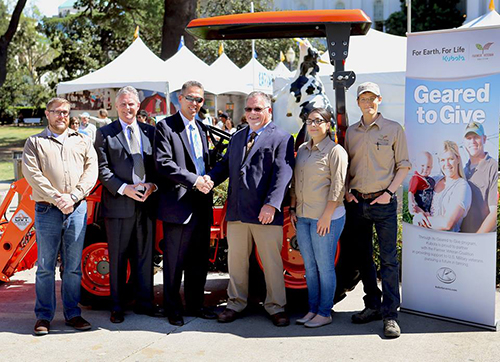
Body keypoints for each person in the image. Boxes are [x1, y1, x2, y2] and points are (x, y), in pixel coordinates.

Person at [207, 91, 295, 327]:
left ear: (269, 111)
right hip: (237, 213)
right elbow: (224, 167)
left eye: (258, 109)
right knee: (236, 263)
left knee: (272, 263)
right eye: (248, 109)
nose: (253, 113)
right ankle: (235, 303)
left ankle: (276, 306)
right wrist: (209, 180)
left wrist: (272, 204)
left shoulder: (282, 138)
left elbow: (283, 174)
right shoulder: (237, 138)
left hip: (265, 213)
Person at [22, 97, 98, 335]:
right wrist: (57, 198)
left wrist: (73, 196)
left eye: (65, 112)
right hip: (47, 210)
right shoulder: (35, 142)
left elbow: (91, 170)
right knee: (45, 266)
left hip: (76, 209)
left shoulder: (82, 141)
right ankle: (44, 317)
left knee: (73, 267)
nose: (61, 116)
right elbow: (32, 174)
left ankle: (73, 314)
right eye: (56, 112)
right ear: (47, 114)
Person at [344, 82, 410, 338]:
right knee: (364, 259)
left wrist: (389, 193)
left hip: (383, 204)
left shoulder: (394, 129)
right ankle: (372, 304)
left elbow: (403, 165)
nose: (368, 102)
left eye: (372, 98)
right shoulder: (351, 132)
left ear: (379, 100)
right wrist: (348, 191)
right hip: (357, 203)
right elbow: (346, 166)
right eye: (363, 98)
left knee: (389, 261)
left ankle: (390, 314)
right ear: (358, 102)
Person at [154, 80, 217, 326]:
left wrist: (209, 179)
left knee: (199, 260)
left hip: (202, 203)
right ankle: (172, 308)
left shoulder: (201, 128)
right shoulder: (166, 127)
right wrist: (195, 181)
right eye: (190, 98)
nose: (195, 103)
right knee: (174, 262)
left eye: (199, 100)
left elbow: (204, 162)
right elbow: (164, 163)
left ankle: (195, 305)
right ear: (179, 99)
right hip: (178, 206)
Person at [94, 86, 158, 324]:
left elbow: (157, 166)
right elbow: (103, 170)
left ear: (138, 106)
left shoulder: (150, 132)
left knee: (144, 256)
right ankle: (117, 306)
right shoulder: (105, 133)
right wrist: (125, 189)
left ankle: (145, 303)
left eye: (132, 104)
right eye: (123, 104)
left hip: (147, 204)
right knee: (118, 258)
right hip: (119, 204)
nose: (128, 108)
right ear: (116, 106)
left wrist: (152, 186)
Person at [290, 108, 348, 328]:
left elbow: (338, 186)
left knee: (325, 267)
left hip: (326, 218)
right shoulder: (303, 150)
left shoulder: (336, 151)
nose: (313, 125)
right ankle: (312, 309)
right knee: (310, 268)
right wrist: (293, 209)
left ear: (328, 124)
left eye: (318, 121)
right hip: (303, 217)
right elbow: (296, 182)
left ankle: (325, 312)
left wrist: (326, 216)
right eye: (309, 121)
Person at [414, 141, 471, 232]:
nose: (447, 164)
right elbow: (415, 203)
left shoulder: (462, 186)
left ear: (458, 159)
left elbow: (447, 224)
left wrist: (421, 220)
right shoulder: (434, 181)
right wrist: (419, 214)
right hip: (424, 240)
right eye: (443, 160)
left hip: (445, 243)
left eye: (450, 159)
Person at [460, 122, 498, 233]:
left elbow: (494, 213)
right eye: (468, 138)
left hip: (481, 242)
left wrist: (476, 239)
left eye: (476, 137)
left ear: (484, 139)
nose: (472, 142)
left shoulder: (493, 167)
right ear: (464, 142)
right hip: (460, 241)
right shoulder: (463, 171)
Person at [408, 151, 435, 218]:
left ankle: (427, 214)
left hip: (428, 206)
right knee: (423, 216)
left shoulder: (431, 180)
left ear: (432, 167)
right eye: (422, 165)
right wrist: (411, 202)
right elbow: (411, 192)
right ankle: (425, 215)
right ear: (416, 165)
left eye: (428, 167)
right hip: (419, 206)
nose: (425, 169)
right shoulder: (416, 178)